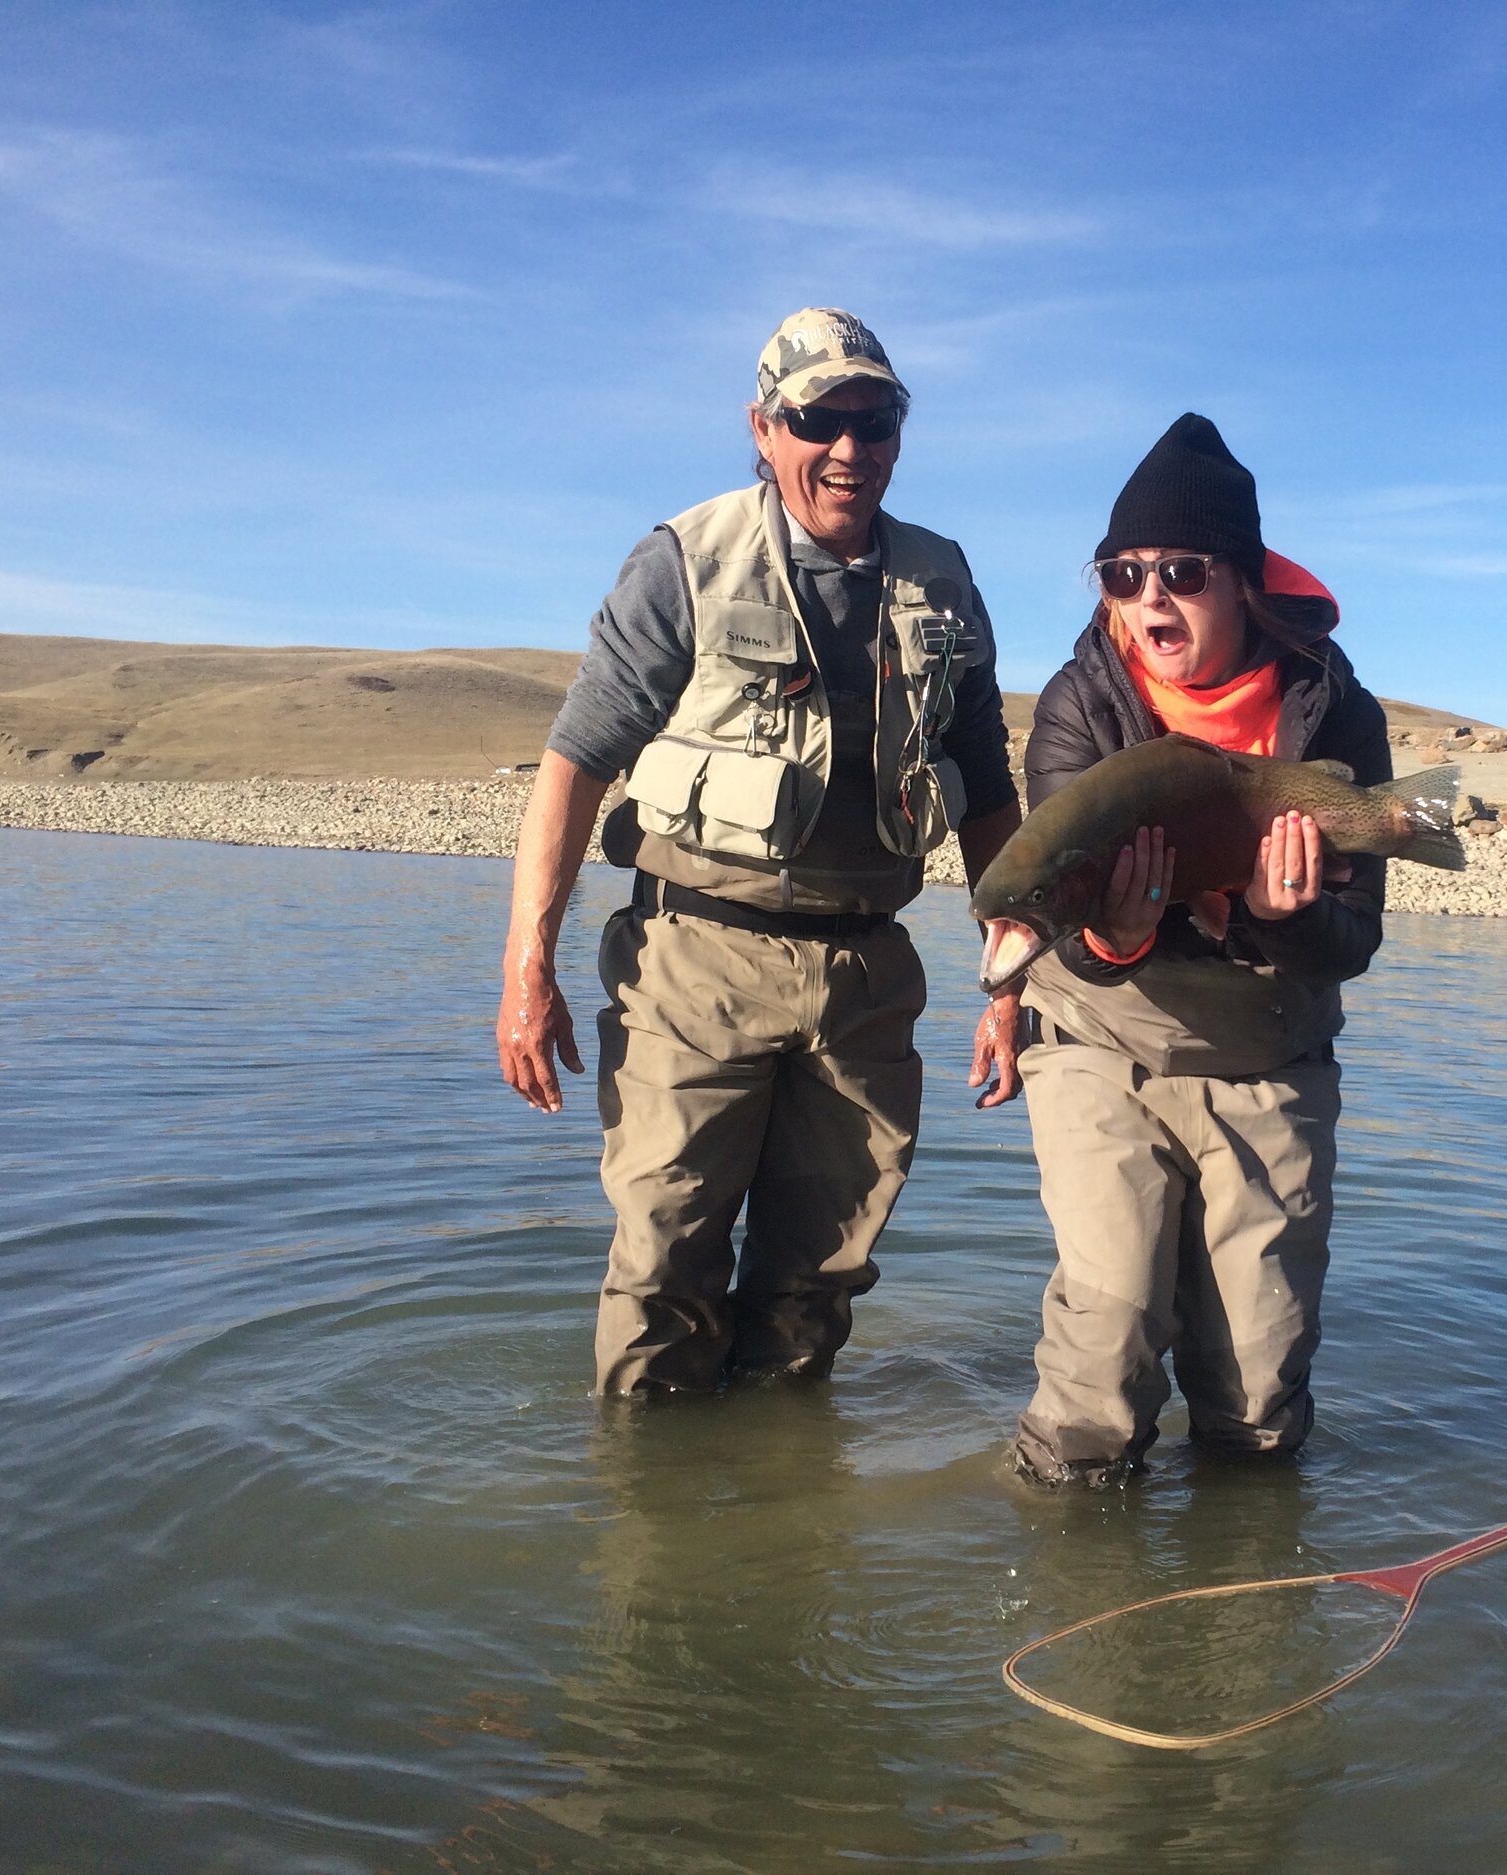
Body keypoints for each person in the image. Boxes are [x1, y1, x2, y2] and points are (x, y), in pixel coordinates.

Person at [497, 307, 1022, 1394]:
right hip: (695, 961)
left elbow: (987, 792)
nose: (849, 447)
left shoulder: (945, 578)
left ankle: (781, 1532)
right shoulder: (682, 560)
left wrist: (1012, 982)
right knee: (664, 1268)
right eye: (819, 418)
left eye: (875, 419)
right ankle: (649, 1529)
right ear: (763, 426)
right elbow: (573, 764)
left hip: (870, 975)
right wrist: (525, 972)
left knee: (817, 1285)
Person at [977, 413, 1389, 1486]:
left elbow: (1352, 945)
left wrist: (1284, 915)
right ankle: (1065, 1582)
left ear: (1243, 581)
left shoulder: (1334, 709)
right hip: (1102, 1040)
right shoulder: (1081, 703)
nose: (1148, 596)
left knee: (1257, 1399)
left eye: (1182, 570)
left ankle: (1244, 1609)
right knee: (1102, 1367)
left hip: (1270, 1056)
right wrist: (1110, 941)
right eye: (1122, 573)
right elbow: (1063, 890)